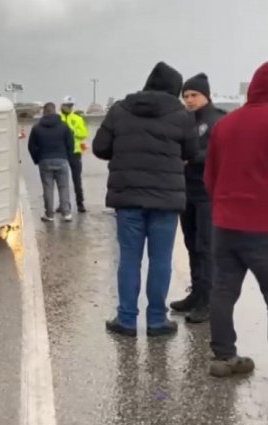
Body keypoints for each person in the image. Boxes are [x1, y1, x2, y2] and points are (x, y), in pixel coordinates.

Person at [204, 61, 268, 389]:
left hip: (225, 226)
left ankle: (223, 358)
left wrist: (227, 206)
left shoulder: (225, 124)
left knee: (222, 290)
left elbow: (211, 179)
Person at [92, 61, 199, 337]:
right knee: (161, 260)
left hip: (128, 198)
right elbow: (192, 151)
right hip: (165, 200)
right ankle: (156, 320)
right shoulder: (182, 115)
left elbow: (99, 147)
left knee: (129, 259)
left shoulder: (119, 111)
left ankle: (126, 319)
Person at [168, 73, 227, 323]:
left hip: (208, 194)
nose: (189, 100)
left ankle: (208, 299)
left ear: (206, 95)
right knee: (191, 244)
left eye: (194, 95)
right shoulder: (185, 120)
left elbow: (218, 153)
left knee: (206, 247)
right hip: (186, 191)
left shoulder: (218, 120)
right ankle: (197, 292)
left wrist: (190, 157)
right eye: (186, 96)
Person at [28, 102, 75, 222]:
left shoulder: (37, 128)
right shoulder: (64, 126)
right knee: (64, 187)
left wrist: (37, 159)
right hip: (62, 160)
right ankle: (66, 213)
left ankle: (49, 214)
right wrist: (67, 157)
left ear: (44, 111)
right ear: (55, 111)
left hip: (44, 161)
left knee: (48, 188)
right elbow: (71, 144)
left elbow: (31, 146)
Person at [60, 96, 89, 212]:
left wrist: (73, 131)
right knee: (62, 180)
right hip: (62, 152)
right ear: (62, 106)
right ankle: (62, 204)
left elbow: (84, 133)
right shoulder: (58, 118)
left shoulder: (77, 118)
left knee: (77, 179)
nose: (70, 107)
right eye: (68, 105)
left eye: (71, 105)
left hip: (75, 153)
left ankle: (80, 203)